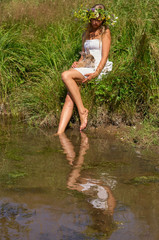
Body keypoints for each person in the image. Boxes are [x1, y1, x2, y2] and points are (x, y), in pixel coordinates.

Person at [56, 4, 115, 134]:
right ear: (89, 18)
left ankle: (82, 110)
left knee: (66, 75)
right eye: (93, 19)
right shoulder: (86, 33)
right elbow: (85, 55)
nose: (95, 22)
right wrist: (78, 63)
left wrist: (96, 73)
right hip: (87, 65)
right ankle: (59, 133)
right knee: (69, 97)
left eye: (99, 19)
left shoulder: (105, 32)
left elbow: (104, 57)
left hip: (99, 68)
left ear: (104, 19)